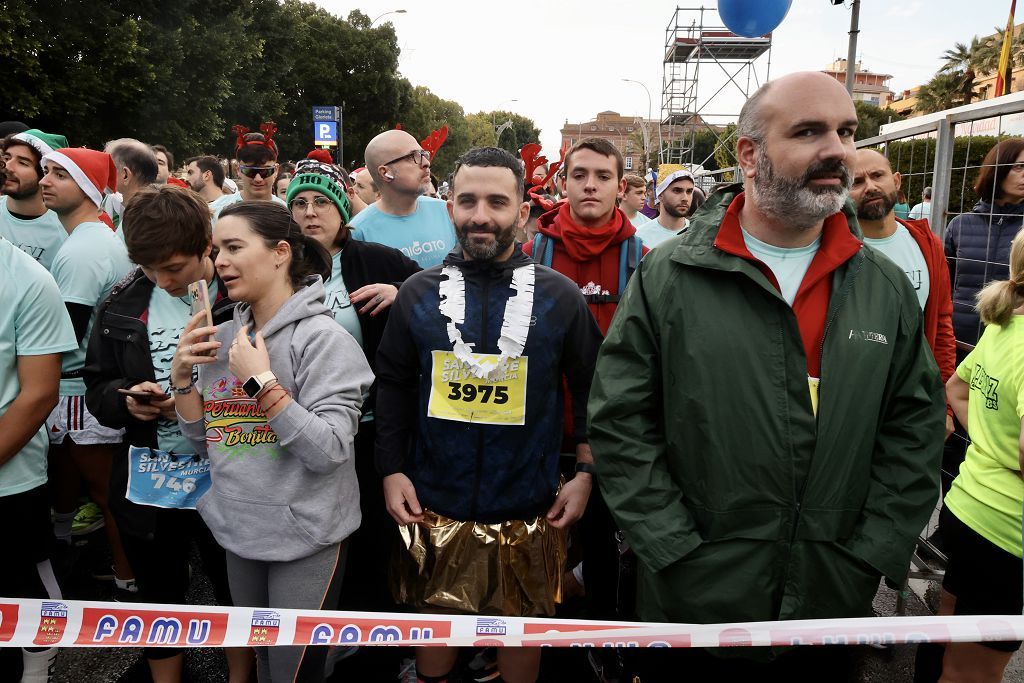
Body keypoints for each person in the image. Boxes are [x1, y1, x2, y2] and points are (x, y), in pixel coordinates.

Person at [588, 72, 945, 680]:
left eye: (846, 132)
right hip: (694, 602)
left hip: (832, 603)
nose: (838, 150)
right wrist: (674, 548)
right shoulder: (668, 277)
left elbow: (914, 426)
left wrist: (870, 551)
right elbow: (622, 423)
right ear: (749, 154)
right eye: (809, 131)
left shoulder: (882, 286)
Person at [375, 147, 602, 683]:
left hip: (530, 508)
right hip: (434, 505)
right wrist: (392, 469)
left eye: (498, 202)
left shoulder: (560, 297)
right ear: (450, 206)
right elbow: (393, 386)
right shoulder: (417, 294)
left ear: (522, 212)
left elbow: (595, 388)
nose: (481, 215)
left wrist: (588, 473)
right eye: (469, 200)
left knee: (521, 656)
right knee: (437, 651)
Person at [172, 201, 372, 682]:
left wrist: (262, 383)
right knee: (262, 661)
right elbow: (208, 440)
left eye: (235, 247)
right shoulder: (223, 336)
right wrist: (181, 380)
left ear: (281, 252)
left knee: (293, 671)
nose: (220, 261)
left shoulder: (326, 340)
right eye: (217, 249)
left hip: (307, 537)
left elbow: (329, 451)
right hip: (239, 530)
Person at [83, 185, 254, 683]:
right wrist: (128, 401)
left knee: (235, 592)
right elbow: (98, 387)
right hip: (153, 476)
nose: (162, 279)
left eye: (174, 268)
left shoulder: (241, 292)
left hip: (230, 473)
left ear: (206, 245)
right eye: (149, 267)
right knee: (160, 597)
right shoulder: (120, 302)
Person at [285, 159, 420, 620]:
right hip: (300, 429)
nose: (310, 212)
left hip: (368, 426)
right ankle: (322, 628)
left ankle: (372, 635)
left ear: (343, 210)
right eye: (299, 202)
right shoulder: (280, 262)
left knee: (372, 534)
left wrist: (404, 291)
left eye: (322, 201)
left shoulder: (373, 258)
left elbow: (444, 286)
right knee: (314, 535)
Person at [928, 229, 1024, 683]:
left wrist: (989, 444)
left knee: (951, 630)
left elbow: (958, 389)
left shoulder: (1007, 323)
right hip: (1009, 533)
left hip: (968, 506)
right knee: (974, 673)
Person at [40, 147, 136, 592]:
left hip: (80, 390)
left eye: (59, 174)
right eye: (46, 172)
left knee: (106, 494)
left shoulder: (82, 249)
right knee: (91, 488)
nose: (45, 181)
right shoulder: (94, 237)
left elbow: (64, 336)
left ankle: (128, 578)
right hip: (88, 385)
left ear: (86, 187)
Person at [0, 223, 78, 681]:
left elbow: (39, 393)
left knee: (20, 583)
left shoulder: (28, 278)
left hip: (10, 481)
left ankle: (37, 658)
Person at [850, 149, 956, 438]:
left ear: (896, 180)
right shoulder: (837, 251)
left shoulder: (927, 245)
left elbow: (942, 326)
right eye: (856, 181)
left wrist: (944, 405)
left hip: (916, 400)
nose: (870, 186)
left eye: (877, 175)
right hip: (855, 402)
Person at [350, 129, 457, 269]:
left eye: (423, 154)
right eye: (413, 156)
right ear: (385, 172)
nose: (426, 163)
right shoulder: (358, 231)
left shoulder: (445, 211)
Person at [0, 129, 69, 270]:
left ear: (45, 175)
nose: (7, 167)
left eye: (23, 163)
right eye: (6, 158)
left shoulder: (64, 230)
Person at [210, 125, 287, 222]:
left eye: (265, 171)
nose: (258, 179)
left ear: (276, 170)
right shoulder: (215, 211)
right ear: (238, 169)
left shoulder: (287, 213)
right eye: (250, 171)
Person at [103, 138, 159, 236]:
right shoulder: (154, 212)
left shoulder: (142, 224)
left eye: (107, 167)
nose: (102, 173)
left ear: (125, 175)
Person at [635, 169, 695, 249]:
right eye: (677, 190)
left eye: (689, 191)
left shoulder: (699, 235)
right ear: (660, 195)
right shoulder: (639, 236)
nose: (685, 198)